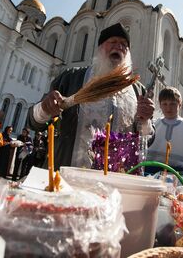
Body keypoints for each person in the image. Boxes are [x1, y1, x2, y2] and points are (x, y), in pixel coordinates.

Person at [27, 23, 155, 168]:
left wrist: (145, 121)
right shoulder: (72, 78)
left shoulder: (138, 90)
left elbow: (146, 140)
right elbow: (34, 122)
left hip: (116, 179)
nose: (119, 46)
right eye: (112, 42)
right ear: (100, 48)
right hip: (69, 175)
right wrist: (44, 108)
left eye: (124, 45)